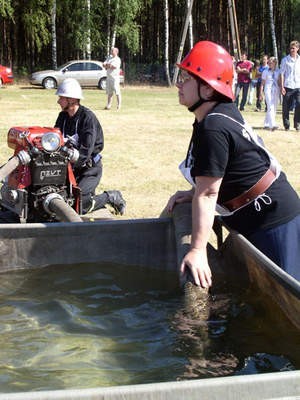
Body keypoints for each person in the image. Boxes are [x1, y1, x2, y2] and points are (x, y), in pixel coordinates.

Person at [166, 40, 300, 287]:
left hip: (273, 220)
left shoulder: (213, 126)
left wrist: (197, 250)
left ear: (207, 90)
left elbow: (208, 194)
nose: (179, 83)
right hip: (266, 213)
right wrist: (192, 192)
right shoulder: (215, 115)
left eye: (187, 78)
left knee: (287, 301)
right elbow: (221, 172)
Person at [55, 78, 126, 215]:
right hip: (70, 167)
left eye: (61, 98)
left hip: (89, 169)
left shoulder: (87, 118)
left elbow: (85, 152)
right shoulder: (62, 117)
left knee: (79, 205)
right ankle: (87, 194)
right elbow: (55, 139)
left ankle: (111, 197)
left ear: (71, 99)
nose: (58, 101)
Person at [279, 40, 300, 131]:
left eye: (294, 48)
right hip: (288, 85)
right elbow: (282, 74)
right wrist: (282, 86)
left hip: (298, 85)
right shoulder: (285, 60)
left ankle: (297, 123)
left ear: (298, 49)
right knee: (286, 106)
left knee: (299, 104)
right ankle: (286, 125)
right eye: (291, 48)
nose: (292, 50)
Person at [259, 57, 280, 131]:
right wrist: (260, 93)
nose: (270, 63)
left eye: (272, 62)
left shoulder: (278, 71)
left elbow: (279, 82)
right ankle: (272, 124)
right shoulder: (265, 71)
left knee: (274, 107)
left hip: (276, 90)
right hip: (268, 90)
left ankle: (266, 124)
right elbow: (262, 83)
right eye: (269, 62)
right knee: (270, 106)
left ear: (275, 63)